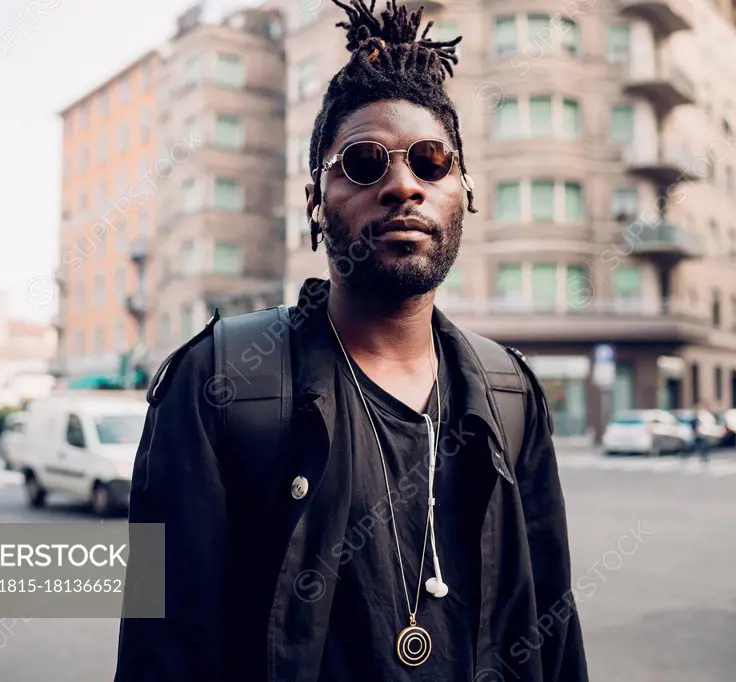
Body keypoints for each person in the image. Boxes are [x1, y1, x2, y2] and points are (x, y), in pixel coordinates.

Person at [113, 1, 589, 680]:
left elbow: (556, 636)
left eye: (431, 163)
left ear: (466, 192)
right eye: (364, 163)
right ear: (315, 199)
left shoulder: (510, 394)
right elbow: (160, 657)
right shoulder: (217, 383)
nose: (402, 185)